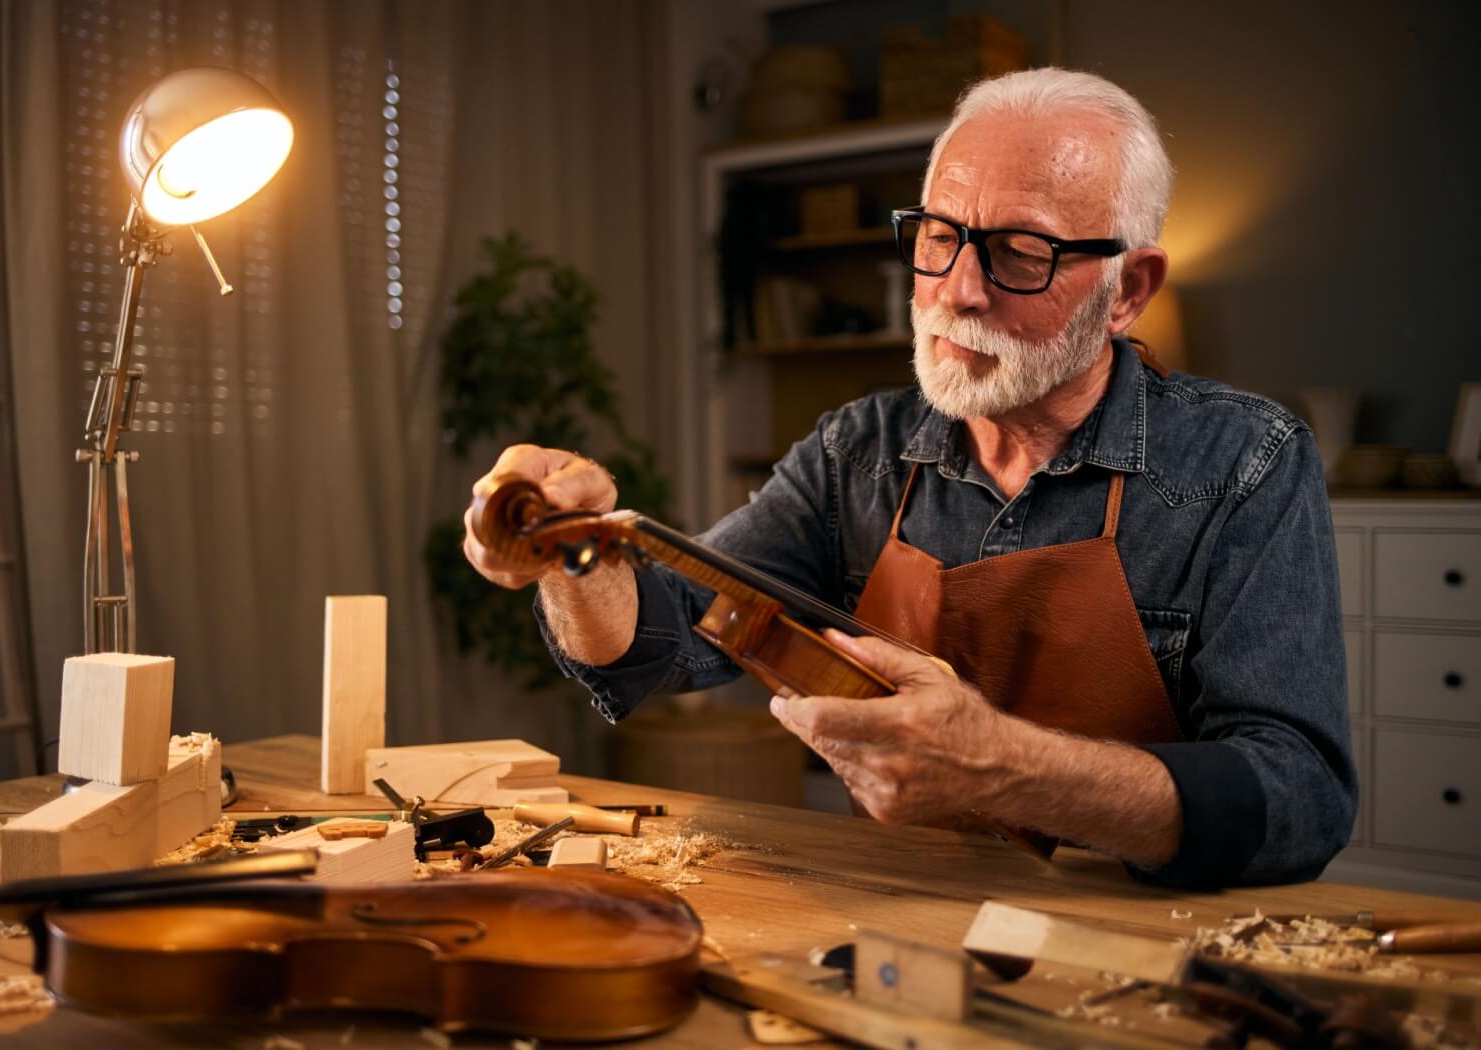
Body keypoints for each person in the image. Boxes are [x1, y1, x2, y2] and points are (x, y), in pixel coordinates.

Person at [462, 68, 1354, 889]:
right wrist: (574, 562)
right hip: (897, 916)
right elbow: (660, 640)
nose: (956, 290)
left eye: (1019, 253)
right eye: (938, 236)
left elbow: (1300, 797)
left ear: (1126, 290)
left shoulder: (1248, 460)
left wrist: (1009, 768)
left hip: (1146, 944)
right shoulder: (856, 452)